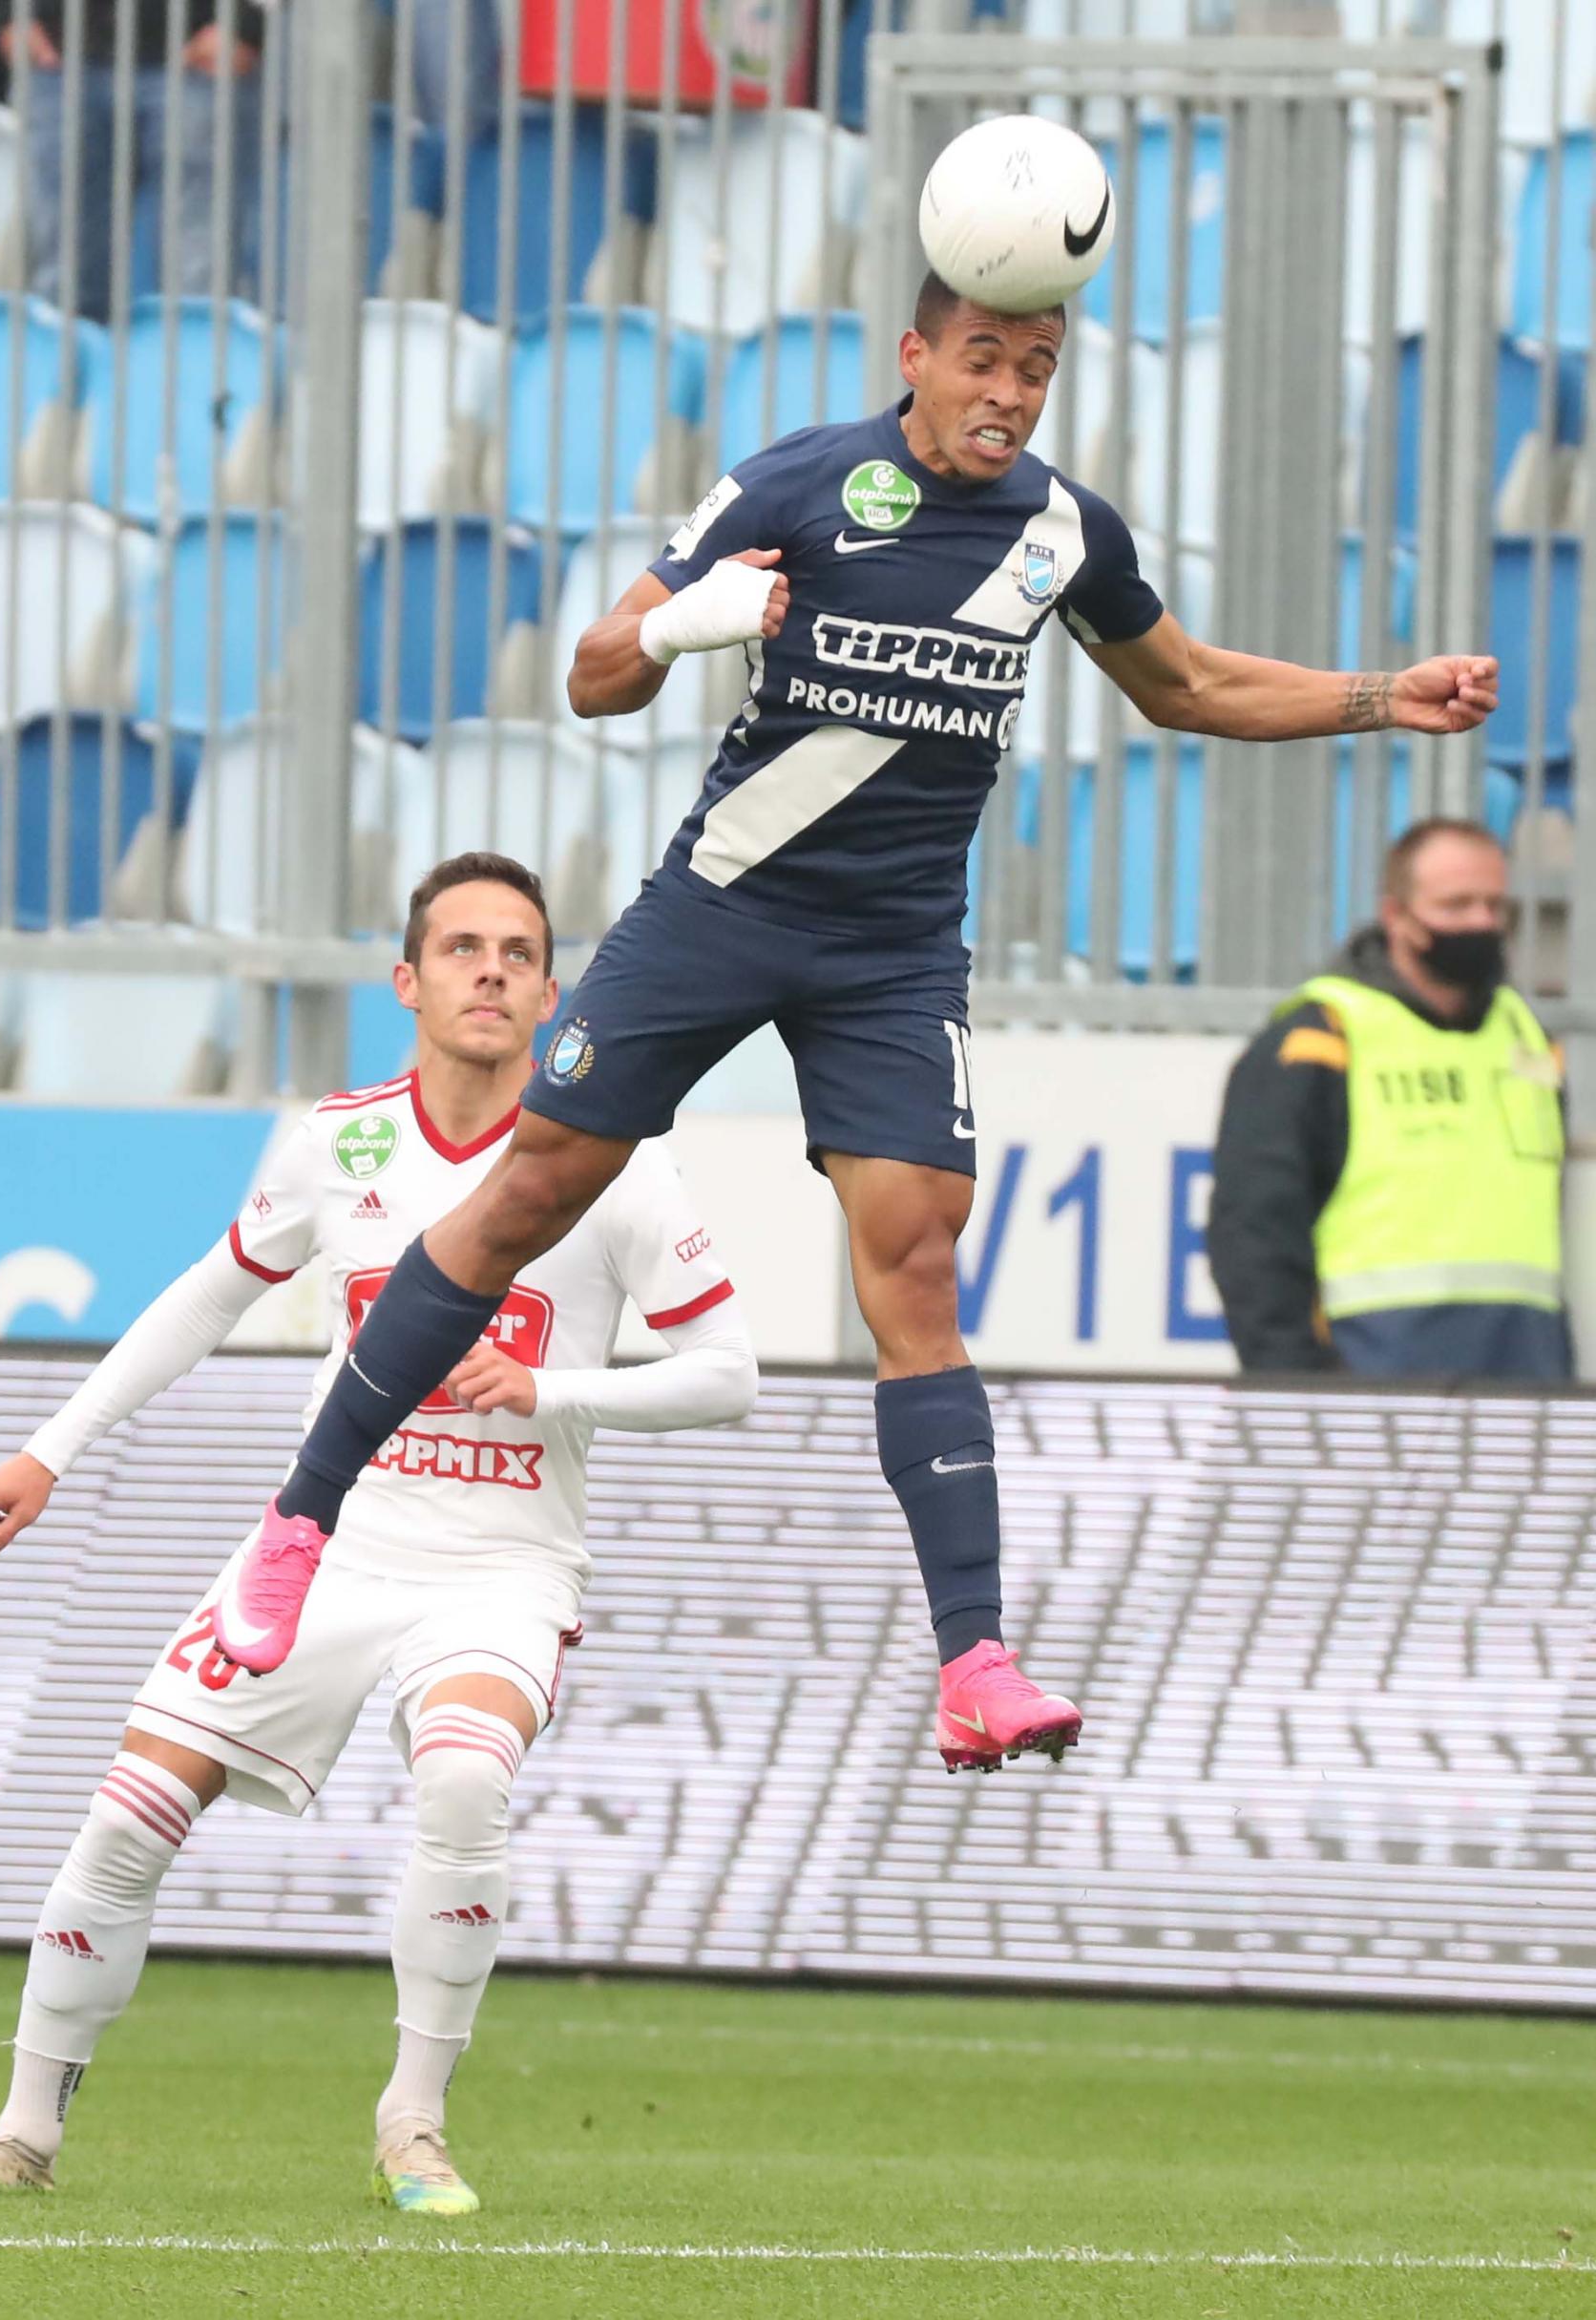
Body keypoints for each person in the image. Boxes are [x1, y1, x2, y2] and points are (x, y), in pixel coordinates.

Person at [209, 270, 1500, 1776]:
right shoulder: (801, 481)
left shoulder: (1066, 531)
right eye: (981, 358)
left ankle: (975, 1662)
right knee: (526, 1197)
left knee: (919, 1262)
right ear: (915, 355)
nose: (1007, 392)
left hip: (893, 956)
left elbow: (1192, 684)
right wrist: (690, 623)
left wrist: (1381, 695)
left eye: (1035, 366)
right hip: (722, 909)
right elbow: (592, 677)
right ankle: (299, 1519)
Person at [0, 854, 757, 2214]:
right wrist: (48, 1447)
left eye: (519, 953)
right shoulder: (340, 1142)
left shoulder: (620, 1165)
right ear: (407, 980)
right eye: (462, 947)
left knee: (465, 1781)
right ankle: (19, 2134)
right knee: (128, 1812)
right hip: (327, 1549)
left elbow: (730, 1375)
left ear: (552, 995)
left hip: (500, 1568)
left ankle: (413, 2127)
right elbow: (206, 1298)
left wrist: (551, 1388)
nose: (491, 971)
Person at [1208, 818, 1569, 1381]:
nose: (1481, 923)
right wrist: (1300, 1388)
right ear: (1396, 915)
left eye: (1496, 906)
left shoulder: (1528, 1041)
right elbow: (1254, 1235)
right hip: (1370, 1387)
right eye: (1456, 905)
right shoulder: (1319, 1041)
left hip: (1523, 1386)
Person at [0, 3, 263, 319]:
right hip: (58, 54)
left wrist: (243, 23)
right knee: (65, 277)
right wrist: (5, 14)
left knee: (200, 279)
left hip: (199, 51)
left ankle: (196, 348)